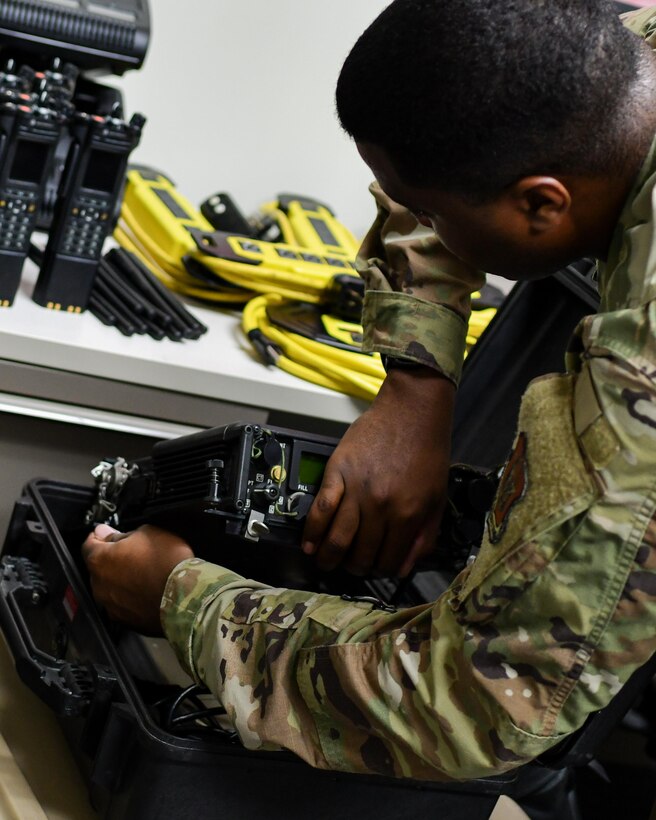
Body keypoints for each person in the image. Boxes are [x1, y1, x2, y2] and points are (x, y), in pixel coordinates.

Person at [83, 0, 656, 782]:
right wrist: (417, 383)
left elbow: (469, 707)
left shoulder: (638, 399)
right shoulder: (622, 53)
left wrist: (184, 601)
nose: (416, 220)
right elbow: (450, 107)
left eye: (431, 215)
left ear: (541, 203)